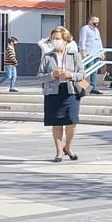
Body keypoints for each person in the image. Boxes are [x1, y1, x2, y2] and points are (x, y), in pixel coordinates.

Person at [39, 27, 85, 163]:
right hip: (53, 92)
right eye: (53, 39)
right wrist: (52, 75)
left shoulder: (74, 55)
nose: (55, 41)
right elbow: (40, 76)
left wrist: (71, 75)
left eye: (58, 38)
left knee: (72, 121)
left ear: (65, 39)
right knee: (56, 123)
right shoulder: (48, 56)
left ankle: (69, 147)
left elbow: (82, 74)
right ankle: (59, 151)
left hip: (70, 91)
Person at [78, 16, 104, 94]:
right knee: (85, 71)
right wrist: (83, 51)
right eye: (95, 21)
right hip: (88, 53)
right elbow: (82, 41)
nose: (96, 23)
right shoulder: (85, 29)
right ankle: (83, 87)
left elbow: (99, 41)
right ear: (90, 21)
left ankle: (93, 88)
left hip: (96, 53)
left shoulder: (96, 30)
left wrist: (102, 52)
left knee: (94, 71)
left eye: (98, 21)